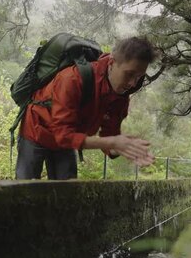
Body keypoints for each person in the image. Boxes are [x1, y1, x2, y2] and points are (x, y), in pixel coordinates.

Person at [16, 36, 157, 180]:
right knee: (25, 190)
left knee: (68, 193)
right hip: (37, 130)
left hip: (67, 139)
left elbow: (109, 135)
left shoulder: (120, 95)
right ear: (111, 62)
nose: (133, 83)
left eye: (139, 77)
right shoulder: (72, 79)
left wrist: (127, 148)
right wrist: (113, 142)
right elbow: (63, 136)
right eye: (129, 74)